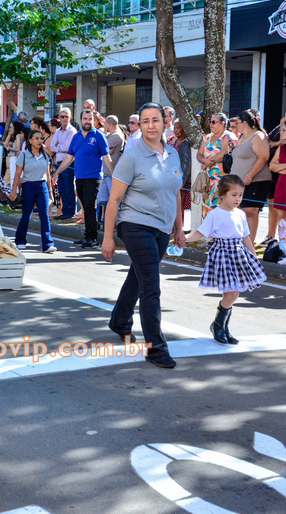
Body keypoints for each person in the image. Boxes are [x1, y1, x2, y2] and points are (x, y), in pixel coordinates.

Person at [102, 102, 185, 368]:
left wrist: (179, 228)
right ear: (140, 124)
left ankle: (119, 320)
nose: (151, 125)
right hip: (135, 225)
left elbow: (174, 193)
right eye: (145, 121)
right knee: (152, 286)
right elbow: (114, 200)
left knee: (138, 277)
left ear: (165, 122)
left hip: (161, 227)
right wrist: (108, 237)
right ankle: (156, 348)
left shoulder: (172, 153)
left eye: (156, 120)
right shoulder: (132, 156)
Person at [184, 175, 266, 344]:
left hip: (238, 254)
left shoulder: (241, 214)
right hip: (222, 254)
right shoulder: (215, 214)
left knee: (233, 292)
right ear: (222, 194)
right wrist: (183, 238)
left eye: (241, 195)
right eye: (233, 194)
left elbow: (245, 236)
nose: (238, 199)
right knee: (232, 292)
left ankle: (221, 326)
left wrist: (253, 254)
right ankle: (219, 325)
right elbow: (200, 233)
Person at [52, 110, 112, 249]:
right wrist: (58, 172)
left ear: (94, 120)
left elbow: (106, 158)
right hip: (79, 177)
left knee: (90, 208)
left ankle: (93, 239)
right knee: (86, 208)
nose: (87, 121)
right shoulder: (76, 136)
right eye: (85, 119)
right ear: (80, 120)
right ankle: (87, 236)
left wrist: (114, 175)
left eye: (90, 119)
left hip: (93, 177)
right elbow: (69, 157)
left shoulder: (99, 136)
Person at [10, 130, 56, 253]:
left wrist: (50, 192)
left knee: (44, 215)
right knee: (26, 215)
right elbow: (18, 174)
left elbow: (47, 174)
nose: (39, 141)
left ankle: (48, 244)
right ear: (30, 140)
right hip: (28, 186)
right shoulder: (23, 155)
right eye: (36, 138)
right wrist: (14, 190)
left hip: (42, 187)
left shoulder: (45, 155)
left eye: (41, 138)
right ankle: (20, 240)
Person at [230, 109, 271, 242]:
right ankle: (241, 241)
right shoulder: (242, 136)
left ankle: (249, 244)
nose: (236, 125)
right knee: (239, 211)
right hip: (238, 182)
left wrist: (249, 176)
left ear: (245, 122)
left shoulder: (258, 136)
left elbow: (263, 157)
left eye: (238, 122)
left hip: (255, 181)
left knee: (250, 211)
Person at [197, 112, 232, 219]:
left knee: (220, 206)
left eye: (214, 122)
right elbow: (199, 154)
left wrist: (208, 162)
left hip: (222, 177)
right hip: (208, 179)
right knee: (207, 205)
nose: (211, 124)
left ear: (222, 124)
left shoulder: (227, 136)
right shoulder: (207, 137)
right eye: (210, 122)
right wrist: (204, 160)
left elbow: (224, 153)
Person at [49, 108, 77, 219]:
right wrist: (61, 148)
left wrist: (58, 148)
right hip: (59, 162)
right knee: (61, 188)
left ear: (70, 117)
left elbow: (67, 147)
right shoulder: (58, 131)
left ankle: (70, 212)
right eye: (62, 116)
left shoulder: (72, 131)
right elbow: (52, 146)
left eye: (66, 116)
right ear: (59, 118)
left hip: (69, 162)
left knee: (68, 187)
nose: (64, 118)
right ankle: (65, 211)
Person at [169, 120, 192, 226]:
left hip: (181, 179)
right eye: (174, 128)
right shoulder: (174, 142)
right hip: (172, 177)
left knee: (179, 206)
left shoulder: (185, 144)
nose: (176, 130)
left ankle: (178, 227)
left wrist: (181, 182)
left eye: (178, 128)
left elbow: (186, 164)